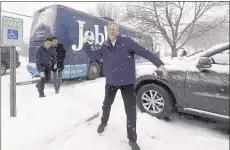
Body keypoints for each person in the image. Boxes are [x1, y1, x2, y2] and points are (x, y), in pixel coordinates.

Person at [83, 22, 167, 150]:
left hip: (127, 82)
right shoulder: (105, 46)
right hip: (111, 82)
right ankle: (103, 122)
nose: (112, 31)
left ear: (117, 31)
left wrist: (158, 63)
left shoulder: (126, 42)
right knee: (106, 105)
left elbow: (143, 52)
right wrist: (85, 44)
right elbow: (94, 56)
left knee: (130, 111)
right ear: (107, 32)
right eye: (109, 29)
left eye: (114, 29)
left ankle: (132, 139)